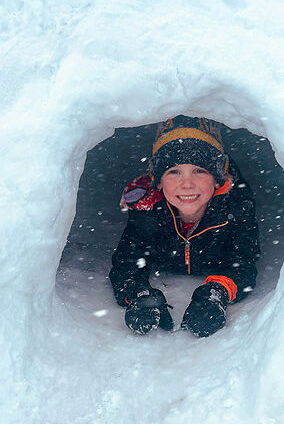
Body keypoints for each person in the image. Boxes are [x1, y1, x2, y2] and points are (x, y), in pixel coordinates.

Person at [109, 116, 260, 337]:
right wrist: (140, 294)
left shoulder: (235, 207)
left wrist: (216, 292)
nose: (187, 184)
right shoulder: (148, 211)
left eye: (199, 170)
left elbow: (243, 262)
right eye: (174, 171)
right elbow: (127, 263)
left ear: (217, 179)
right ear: (158, 181)